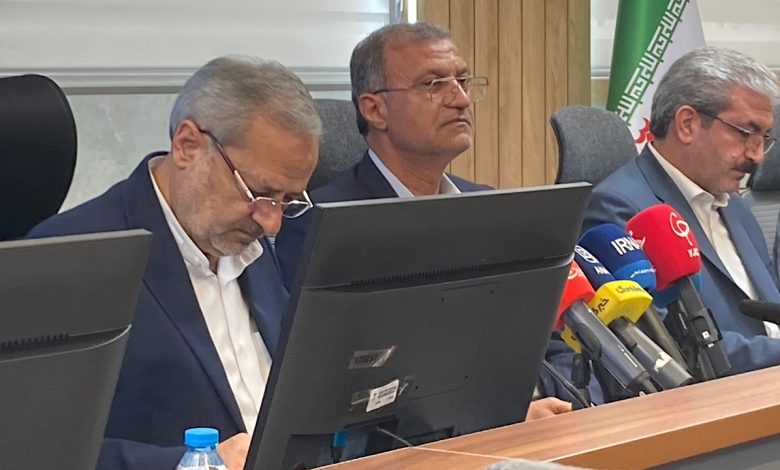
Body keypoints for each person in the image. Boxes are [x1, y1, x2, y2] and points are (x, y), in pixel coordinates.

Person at [275, 22, 588, 412]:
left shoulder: (488, 207)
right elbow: (337, 381)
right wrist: (502, 411)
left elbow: (546, 340)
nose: (461, 100)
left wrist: (552, 399)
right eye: (433, 85)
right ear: (374, 109)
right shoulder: (322, 225)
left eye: (462, 81)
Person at [28, 56, 321, 470]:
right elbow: (33, 446)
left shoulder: (251, 241)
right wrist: (200, 463)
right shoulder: (72, 257)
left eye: (288, 200)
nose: (271, 223)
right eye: (259, 192)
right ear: (187, 146)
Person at [584, 47, 780, 375]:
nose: (758, 156)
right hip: (720, 397)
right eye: (746, 134)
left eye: (765, 138)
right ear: (687, 124)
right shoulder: (621, 208)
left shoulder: (736, 205)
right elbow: (669, 347)